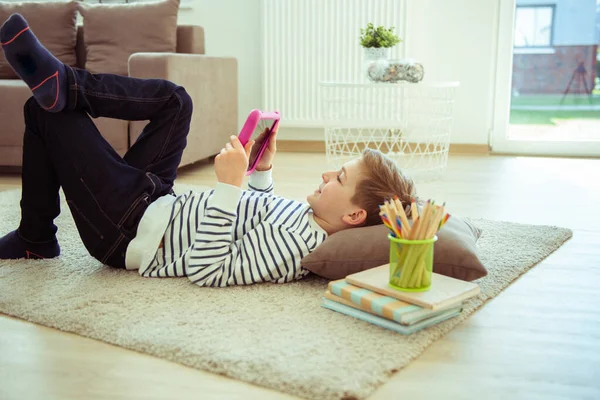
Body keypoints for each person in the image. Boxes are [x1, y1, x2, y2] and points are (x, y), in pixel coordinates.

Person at [0, 14, 417, 287]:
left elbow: (208, 269)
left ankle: (36, 237)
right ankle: (68, 85)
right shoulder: (310, 220)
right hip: (156, 200)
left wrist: (230, 187)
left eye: (340, 178)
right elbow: (257, 217)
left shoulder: (299, 247)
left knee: (46, 113)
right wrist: (261, 173)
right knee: (177, 101)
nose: (327, 175)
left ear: (354, 216)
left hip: (126, 230)